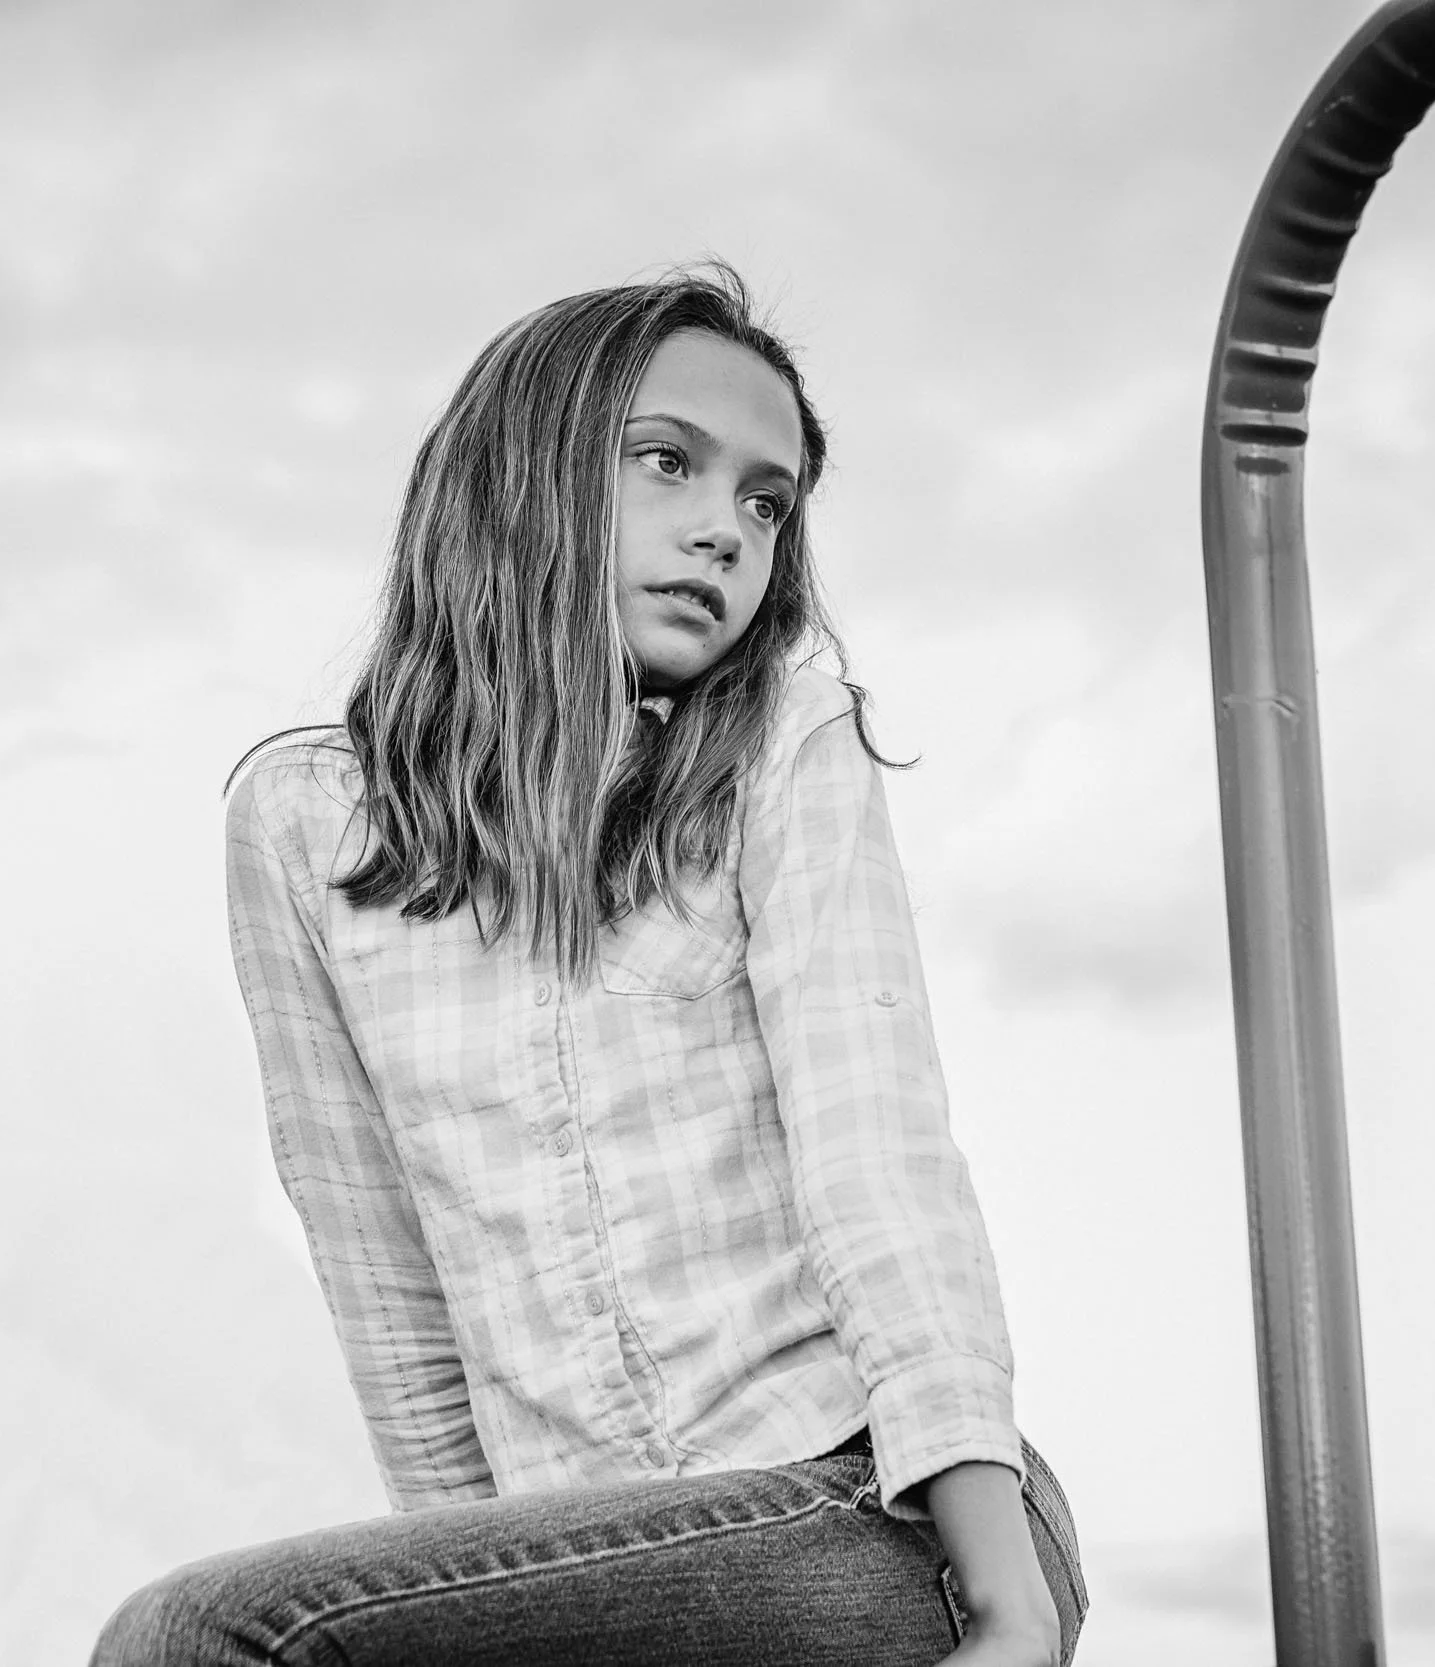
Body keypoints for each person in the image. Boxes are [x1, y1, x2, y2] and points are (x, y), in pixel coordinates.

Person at [93, 267, 1086, 1667]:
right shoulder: (301, 826)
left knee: (194, 1640)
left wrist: (1010, 1609)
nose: (726, 534)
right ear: (526, 476)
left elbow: (881, 1159)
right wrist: (465, 1600)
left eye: (766, 500)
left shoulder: (782, 748)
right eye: (668, 462)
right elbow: (393, 1292)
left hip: (872, 1512)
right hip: (593, 1562)